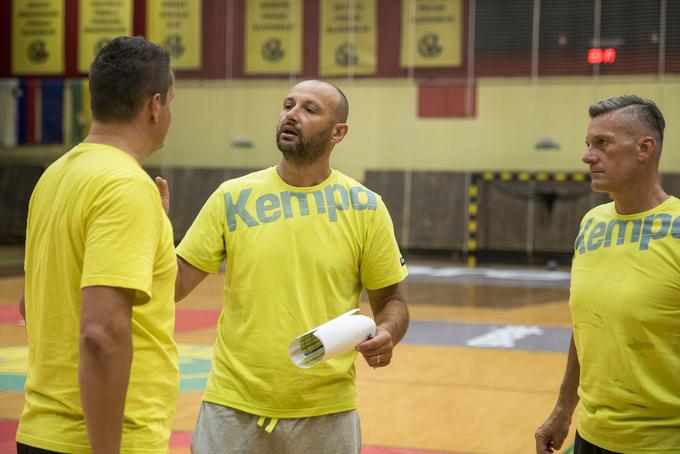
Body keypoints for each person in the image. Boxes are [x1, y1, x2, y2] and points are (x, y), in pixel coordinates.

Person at [174, 79, 409, 453]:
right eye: (288, 105)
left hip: (326, 410)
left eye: (309, 109)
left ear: (339, 132)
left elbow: (392, 301)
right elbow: (173, 285)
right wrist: (146, 234)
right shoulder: (231, 197)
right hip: (232, 404)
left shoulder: (366, 206)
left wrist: (388, 332)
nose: (291, 115)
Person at [16, 36, 178, 453]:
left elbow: (28, 304)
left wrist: (148, 229)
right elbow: (101, 333)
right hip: (104, 440)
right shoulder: (125, 186)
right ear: (155, 105)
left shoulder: (55, 177)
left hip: (42, 432)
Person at [535, 95, 680, 453]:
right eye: (587, 144)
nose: (587, 156)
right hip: (592, 437)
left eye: (602, 143)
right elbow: (586, 325)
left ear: (644, 148)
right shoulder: (591, 223)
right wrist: (564, 409)